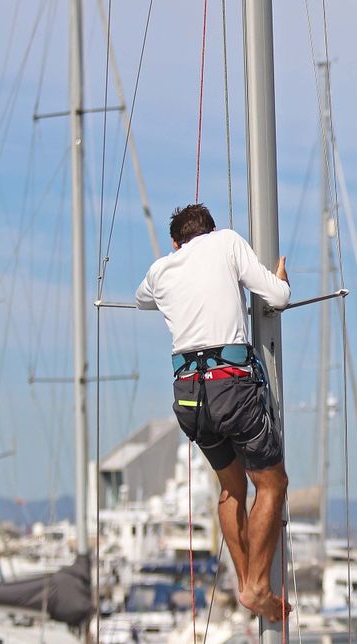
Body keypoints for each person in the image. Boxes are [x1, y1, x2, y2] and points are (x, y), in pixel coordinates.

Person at [135, 203, 293, 622]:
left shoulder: (161, 269)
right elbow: (278, 297)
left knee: (231, 487)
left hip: (189, 396)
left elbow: (141, 301)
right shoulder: (226, 243)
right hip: (232, 388)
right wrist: (279, 280)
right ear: (211, 230)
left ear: (175, 242)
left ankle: (245, 582)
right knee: (272, 484)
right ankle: (257, 585)